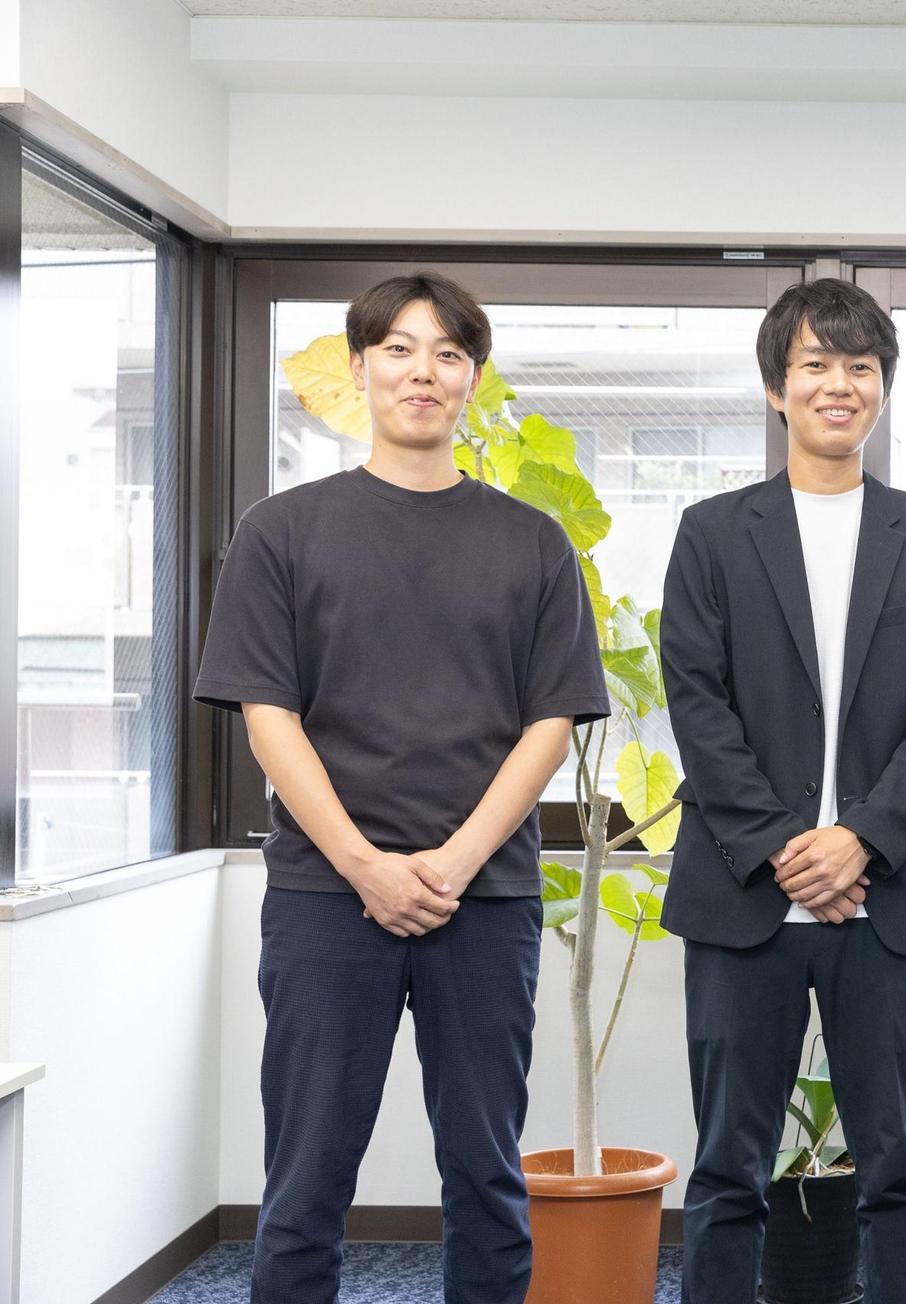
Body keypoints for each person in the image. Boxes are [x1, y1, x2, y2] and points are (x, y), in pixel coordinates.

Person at [194, 272, 610, 1303]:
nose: (423, 371)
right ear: (360, 366)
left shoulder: (533, 543)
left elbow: (550, 723)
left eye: (447, 353)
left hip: (488, 898)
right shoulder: (282, 531)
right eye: (399, 349)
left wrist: (454, 864)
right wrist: (364, 866)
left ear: (473, 377)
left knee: (486, 1177)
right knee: (304, 1181)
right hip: (325, 897)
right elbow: (268, 715)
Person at [659, 277, 906, 1303]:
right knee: (728, 1168)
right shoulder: (713, 532)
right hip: (743, 897)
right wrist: (782, 843)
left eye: (860, 365)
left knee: (898, 1170)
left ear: (882, 387)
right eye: (815, 364)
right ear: (777, 387)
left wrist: (861, 838)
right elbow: (695, 697)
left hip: (885, 901)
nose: (838, 384)